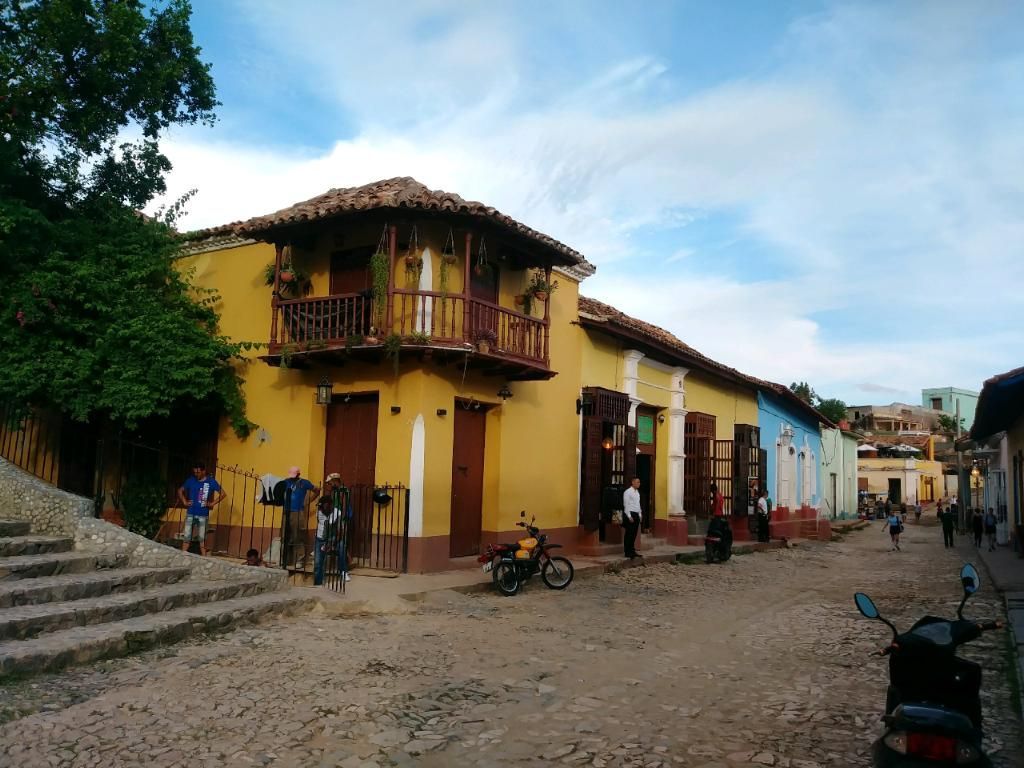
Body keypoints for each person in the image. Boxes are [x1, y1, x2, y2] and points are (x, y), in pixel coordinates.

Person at [176, 462, 225, 556]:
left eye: (198, 472)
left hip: (203, 514)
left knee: (202, 539)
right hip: (190, 513)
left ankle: (204, 558)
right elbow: (180, 490)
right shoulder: (191, 480)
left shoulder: (211, 482)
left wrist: (212, 503)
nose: (196, 474)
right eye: (195, 472)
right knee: (187, 537)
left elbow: (223, 494)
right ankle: (183, 555)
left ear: (204, 471)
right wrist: (185, 502)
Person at [315, 473, 352, 585]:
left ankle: (343, 571)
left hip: (339, 519)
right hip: (331, 519)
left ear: (336, 480)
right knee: (333, 543)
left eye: (330, 482)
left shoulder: (343, 491)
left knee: (341, 546)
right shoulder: (333, 491)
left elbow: (344, 505)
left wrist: (343, 521)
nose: (329, 484)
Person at [283, 466, 319, 569]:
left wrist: (308, 501)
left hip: (298, 512)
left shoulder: (304, 483)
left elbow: (317, 490)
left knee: (298, 535)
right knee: (286, 535)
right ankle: (287, 559)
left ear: (298, 474)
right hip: (287, 511)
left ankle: (300, 559)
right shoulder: (286, 482)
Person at [622, 477, 643, 560]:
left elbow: (638, 504)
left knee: (634, 534)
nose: (639, 484)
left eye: (639, 482)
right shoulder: (628, 492)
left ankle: (632, 551)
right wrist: (629, 516)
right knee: (629, 534)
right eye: (637, 482)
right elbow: (626, 504)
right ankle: (627, 552)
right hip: (630, 514)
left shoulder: (637, 493)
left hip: (636, 514)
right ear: (633, 482)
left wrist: (640, 514)